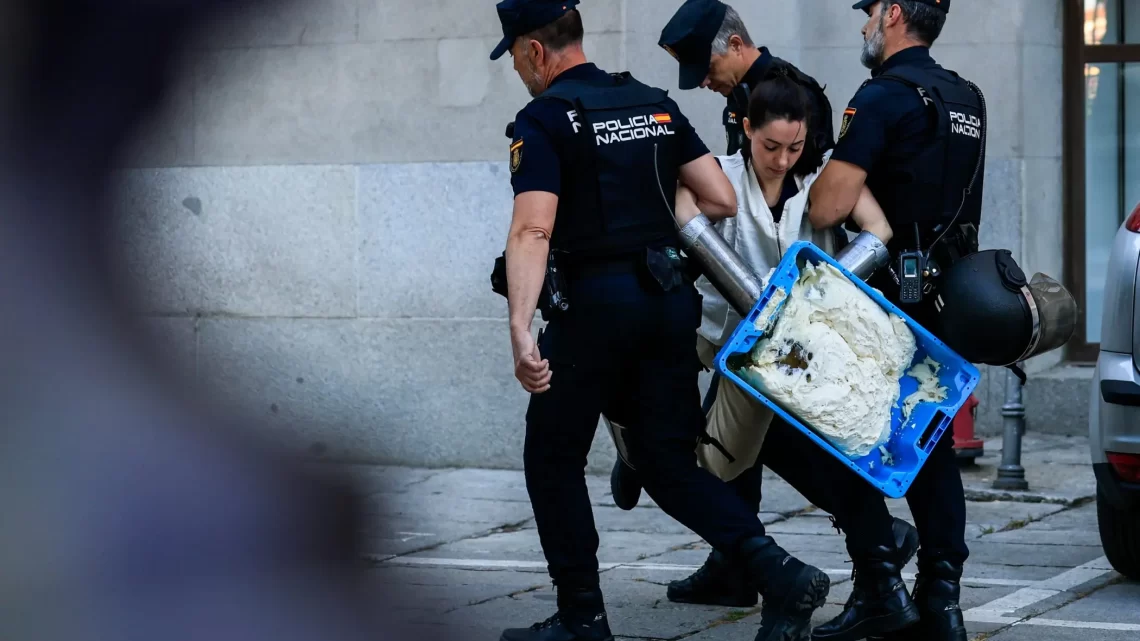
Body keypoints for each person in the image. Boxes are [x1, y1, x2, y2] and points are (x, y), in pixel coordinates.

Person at [490, 2, 832, 640]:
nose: (517, 68)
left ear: (535, 51)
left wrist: (518, 329)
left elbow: (533, 228)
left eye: (513, 54)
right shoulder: (650, 103)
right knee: (667, 461)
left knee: (553, 457)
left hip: (593, 310)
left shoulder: (541, 121)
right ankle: (778, 573)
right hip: (667, 304)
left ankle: (582, 618)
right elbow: (720, 198)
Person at [807, 2, 983, 640]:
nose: (863, 24)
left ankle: (879, 587)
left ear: (896, 14)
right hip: (952, 294)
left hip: (888, 301)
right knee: (932, 446)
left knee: (846, 437)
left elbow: (828, 206)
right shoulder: (967, 96)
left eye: (870, 11)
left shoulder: (881, 97)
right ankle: (942, 598)